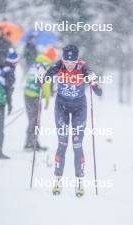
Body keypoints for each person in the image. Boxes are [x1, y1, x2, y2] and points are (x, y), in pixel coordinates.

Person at [44, 44, 102, 197]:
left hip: (79, 108)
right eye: (67, 62)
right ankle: (57, 181)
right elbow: (47, 75)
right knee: (62, 143)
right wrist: (43, 78)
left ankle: (79, 183)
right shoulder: (59, 64)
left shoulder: (82, 67)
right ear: (63, 59)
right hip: (61, 107)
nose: (69, 65)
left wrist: (94, 84)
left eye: (72, 62)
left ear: (77, 60)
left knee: (77, 144)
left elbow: (92, 77)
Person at [24, 54, 52, 151]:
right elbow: (46, 86)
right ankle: (29, 144)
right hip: (34, 97)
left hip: (27, 95)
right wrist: (47, 100)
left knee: (33, 120)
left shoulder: (34, 65)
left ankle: (33, 142)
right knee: (35, 121)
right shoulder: (45, 68)